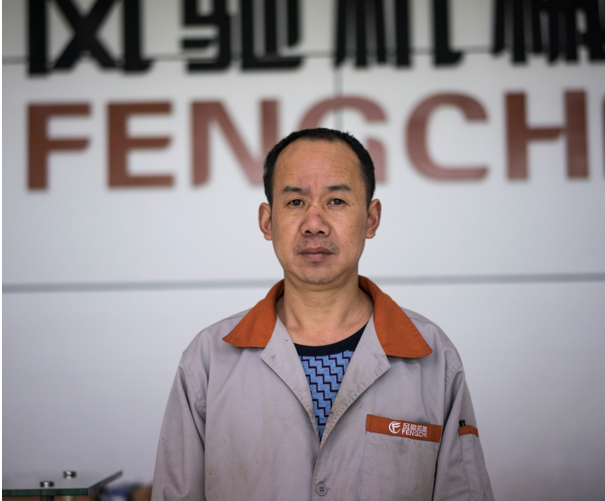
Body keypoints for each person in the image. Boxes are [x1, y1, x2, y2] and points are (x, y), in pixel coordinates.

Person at [151, 128, 494, 501]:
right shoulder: (208, 359)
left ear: (371, 219)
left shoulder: (433, 356)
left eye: (337, 201)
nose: (314, 223)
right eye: (296, 202)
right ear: (267, 221)